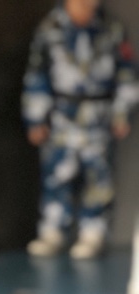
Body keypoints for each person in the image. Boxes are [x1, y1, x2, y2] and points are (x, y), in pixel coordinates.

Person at [23, 0, 139, 258]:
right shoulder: (51, 28)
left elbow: (127, 74)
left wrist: (122, 112)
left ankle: (93, 232)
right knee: (57, 174)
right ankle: (53, 230)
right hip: (63, 115)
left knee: (99, 177)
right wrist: (35, 117)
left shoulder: (111, 28)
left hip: (99, 115)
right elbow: (37, 74)